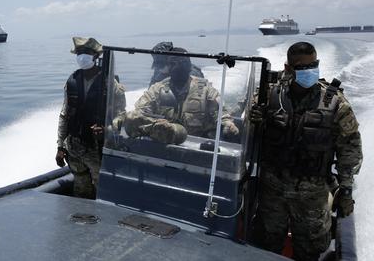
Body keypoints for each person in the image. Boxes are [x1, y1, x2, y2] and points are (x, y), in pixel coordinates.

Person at [252, 42, 363, 261]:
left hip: (312, 193)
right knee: (266, 244)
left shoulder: (335, 103)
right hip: (272, 189)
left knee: (310, 251)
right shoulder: (269, 95)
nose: (310, 71)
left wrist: (346, 190)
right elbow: (243, 128)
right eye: (302, 67)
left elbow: (349, 149)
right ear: (288, 68)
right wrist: (254, 118)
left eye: (314, 64)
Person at [55, 37, 126, 199]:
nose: (82, 57)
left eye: (86, 53)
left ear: (95, 56)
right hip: (74, 148)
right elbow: (64, 115)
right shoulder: (72, 80)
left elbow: (121, 115)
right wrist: (60, 146)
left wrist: (107, 129)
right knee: (81, 189)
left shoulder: (110, 83)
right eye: (79, 53)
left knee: (103, 190)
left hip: (98, 148)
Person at [124, 47, 239, 144]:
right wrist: (151, 123)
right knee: (131, 117)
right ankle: (165, 130)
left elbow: (221, 116)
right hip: (161, 144)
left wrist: (228, 125)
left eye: (178, 63)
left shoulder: (205, 90)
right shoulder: (158, 89)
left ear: (188, 66)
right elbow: (141, 111)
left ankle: (172, 132)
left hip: (195, 146)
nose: (174, 67)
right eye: (171, 64)